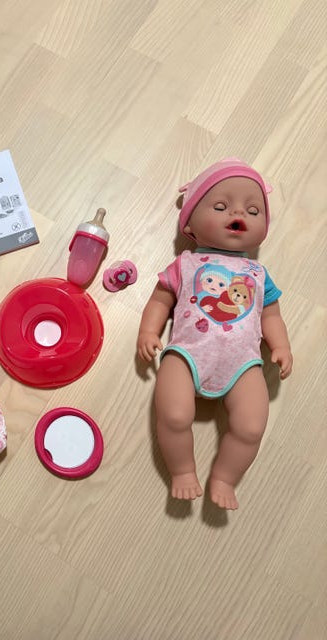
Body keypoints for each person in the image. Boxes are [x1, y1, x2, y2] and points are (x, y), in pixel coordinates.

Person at [137, 158, 293, 509]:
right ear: (189, 224)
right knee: (174, 415)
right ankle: (182, 471)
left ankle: (225, 477)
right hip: (187, 354)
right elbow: (160, 300)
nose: (238, 213)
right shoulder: (186, 263)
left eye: (253, 211)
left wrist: (281, 345)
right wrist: (149, 331)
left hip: (244, 363)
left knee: (251, 427)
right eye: (220, 206)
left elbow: (271, 313)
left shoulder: (258, 273)